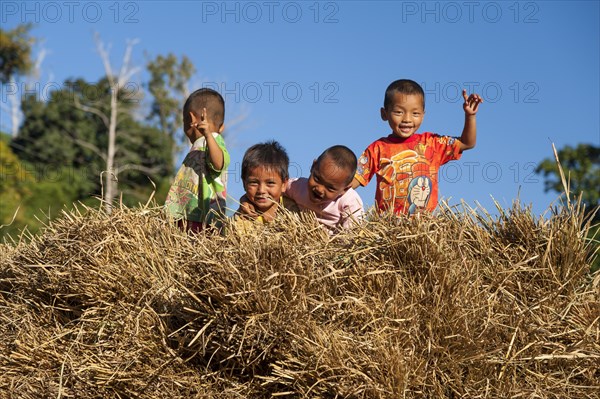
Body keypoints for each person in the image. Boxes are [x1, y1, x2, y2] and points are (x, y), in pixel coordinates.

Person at [352, 79, 483, 215]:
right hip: (390, 224)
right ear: (384, 114)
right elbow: (354, 180)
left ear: (423, 116)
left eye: (415, 113)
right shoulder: (377, 149)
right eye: (398, 112)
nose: (407, 119)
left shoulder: (431, 143)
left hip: (423, 226)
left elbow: (467, 143)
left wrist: (470, 116)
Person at [164, 88, 230, 232]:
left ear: (191, 119)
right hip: (190, 216)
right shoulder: (199, 145)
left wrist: (208, 135)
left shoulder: (213, 140)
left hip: (204, 220)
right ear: (222, 127)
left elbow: (219, 164)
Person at [285, 145, 364, 233]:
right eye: (317, 179)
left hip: (330, 243)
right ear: (313, 166)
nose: (319, 189)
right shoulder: (297, 186)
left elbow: (353, 232)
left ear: (344, 189)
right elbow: (277, 188)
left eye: (330, 188)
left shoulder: (349, 201)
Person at [236, 140, 299, 223]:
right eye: (254, 182)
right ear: (244, 183)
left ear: (284, 184)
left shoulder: (294, 210)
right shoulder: (241, 220)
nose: (261, 190)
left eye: (270, 183)